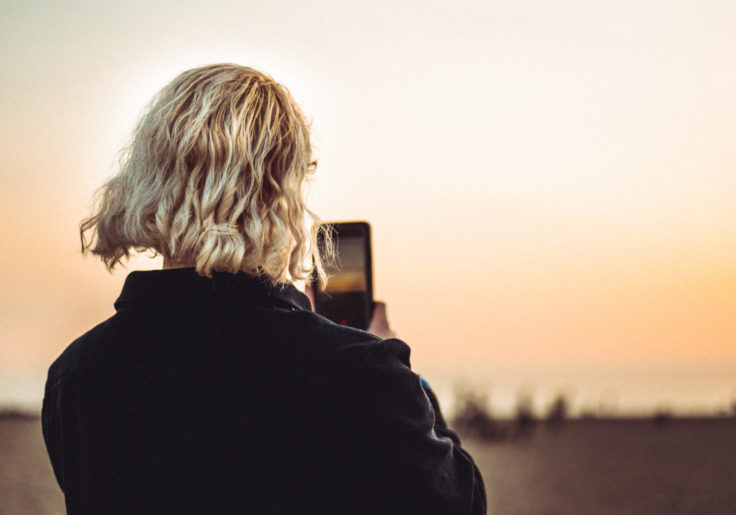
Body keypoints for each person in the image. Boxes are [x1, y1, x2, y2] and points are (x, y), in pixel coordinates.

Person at [42, 64, 486, 514]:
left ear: (148, 177)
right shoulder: (359, 372)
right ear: (282, 191)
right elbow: (459, 503)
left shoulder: (77, 375)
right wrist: (402, 371)